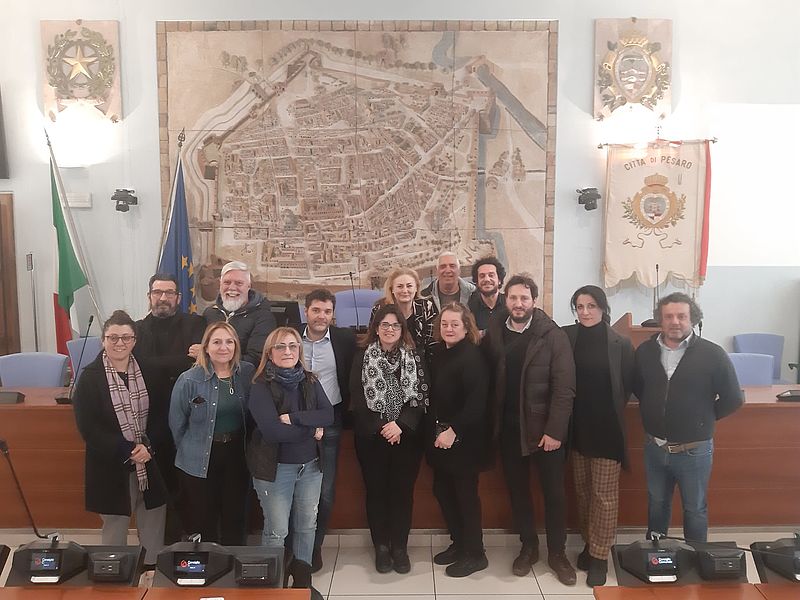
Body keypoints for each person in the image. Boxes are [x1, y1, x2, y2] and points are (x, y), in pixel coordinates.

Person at [483, 274, 577, 585]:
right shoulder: (496, 330)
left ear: (534, 301)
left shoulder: (552, 335)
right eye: (513, 298)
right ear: (505, 299)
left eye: (524, 298)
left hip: (544, 432)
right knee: (518, 492)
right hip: (509, 429)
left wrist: (555, 431)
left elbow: (564, 388)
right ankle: (529, 547)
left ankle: (558, 553)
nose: (518, 303)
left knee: (554, 494)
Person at [634, 292, 743, 543]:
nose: (675, 321)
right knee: (657, 503)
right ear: (660, 320)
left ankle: (696, 557)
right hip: (655, 447)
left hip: (694, 451)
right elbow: (640, 389)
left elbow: (733, 398)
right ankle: (656, 553)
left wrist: (703, 419)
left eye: (681, 316)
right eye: (668, 316)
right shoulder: (645, 352)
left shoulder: (712, 354)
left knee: (694, 509)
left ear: (692, 318)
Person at [73, 310, 167, 567]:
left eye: (126, 337)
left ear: (134, 341)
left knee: (154, 518)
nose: (119, 343)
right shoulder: (90, 377)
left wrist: (148, 446)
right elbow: (88, 428)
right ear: (103, 340)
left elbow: (163, 415)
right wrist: (128, 450)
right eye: (113, 337)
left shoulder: (150, 371)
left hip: (149, 461)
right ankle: (113, 571)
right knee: (115, 525)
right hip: (111, 464)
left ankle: (151, 570)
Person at [246, 327, 333, 598]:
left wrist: (295, 419)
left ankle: (301, 585)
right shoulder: (260, 385)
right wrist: (311, 429)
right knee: (277, 530)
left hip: (310, 467)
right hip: (275, 470)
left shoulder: (309, 379)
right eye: (280, 347)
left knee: (307, 525)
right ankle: (271, 588)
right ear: (269, 353)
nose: (287, 351)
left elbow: (328, 414)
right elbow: (273, 432)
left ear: (299, 350)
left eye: (293, 346)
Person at [562, 285, 634, 586]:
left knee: (604, 497)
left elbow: (626, 386)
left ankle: (600, 557)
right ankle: (590, 544)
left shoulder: (620, 343)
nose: (585, 312)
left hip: (606, 430)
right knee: (583, 493)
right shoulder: (568, 336)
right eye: (580, 307)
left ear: (602, 308)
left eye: (591, 306)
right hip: (577, 429)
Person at [350, 304, 429, 574]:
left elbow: (421, 394)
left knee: (402, 494)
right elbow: (356, 396)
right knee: (376, 493)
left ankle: (400, 548)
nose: (390, 329)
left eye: (395, 325)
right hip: (372, 437)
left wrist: (400, 425)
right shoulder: (362, 355)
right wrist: (382, 426)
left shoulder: (414, 355)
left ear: (402, 329)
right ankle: (382, 548)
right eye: (384, 324)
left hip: (407, 438)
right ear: (376, 328)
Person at [135, 272, 206, 542]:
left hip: (190, 416)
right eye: (157, 292)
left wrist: (151, 363)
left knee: (188, 482)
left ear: (178, 297)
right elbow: (139, 365)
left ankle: (191, 541)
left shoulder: (196, 324)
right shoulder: (137, 329)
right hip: (151, 418)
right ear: (149, 296)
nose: (162, 298)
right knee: (160, 482)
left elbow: (198, 364)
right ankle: (162, 544)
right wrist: (180, 360)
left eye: (169, 293)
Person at [169, 321, 254, 545]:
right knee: (204, 520)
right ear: (206, 347)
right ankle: (210, 563)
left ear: (236, 346)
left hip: (236, 454)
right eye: (217, 342)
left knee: (235, 517)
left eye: (229, 342)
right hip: (199, 457)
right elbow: (177, 424)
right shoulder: (189, 379)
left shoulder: (246, 373)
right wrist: (191, 447)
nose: (223, 347)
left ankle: (232, 561)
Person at [428, 303, 489, 577]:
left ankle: (476, 554)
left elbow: (477, 402)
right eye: (444, 324)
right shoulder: (439, 352)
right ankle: (459, 543)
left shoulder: (473, 357)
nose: (449, 329)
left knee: (465, 497)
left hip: (464, 440)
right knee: (443, 491)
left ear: (467, 327)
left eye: (455, 324)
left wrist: (454, 431)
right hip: (440, 439)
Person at [299, 288, 357, 572]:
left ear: (333, 314)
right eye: (316, 310)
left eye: (327, 311)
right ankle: (295, 547)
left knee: (325, 489)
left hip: (330, 420)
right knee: (295, 488)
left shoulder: (344, 339)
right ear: (306, 311)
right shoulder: (290, 338)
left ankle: (315, 547)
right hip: (296, 422)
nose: (321, 316)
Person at [204, 260, 276, 364]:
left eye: (239, 283)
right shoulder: (210, 313)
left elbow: (256, 360)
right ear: (220, 284)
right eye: (227, 282)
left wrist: (211, 355)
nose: (232, 288)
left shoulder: (263, 318)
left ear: (249, 286)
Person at [370, 267, 438, 362]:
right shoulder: (379, 310)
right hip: (386, 362)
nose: (405, 290)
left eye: (409, 286)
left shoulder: (427, 307)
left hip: (421, 362)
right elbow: (373, 340)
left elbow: (432, 343)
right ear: (392, 289)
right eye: (400, 286)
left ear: (416, 288)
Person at [467, 256, 507, 334]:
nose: (487, 279)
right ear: (477, 282)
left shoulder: (509, 304)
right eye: (482, 276)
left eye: (491, 275)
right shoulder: (470, 307)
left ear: (499, 280)